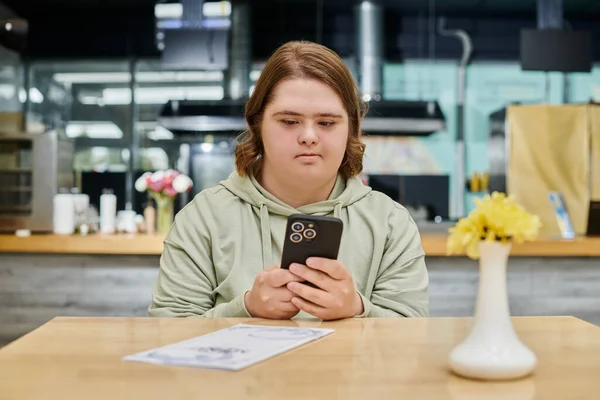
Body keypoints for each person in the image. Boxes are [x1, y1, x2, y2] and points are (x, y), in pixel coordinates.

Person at [148, 40, 429, 320]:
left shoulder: (391, 223)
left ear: (351, 128)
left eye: (327, 123)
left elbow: (414, 334)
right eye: (289, 121)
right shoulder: (202, 219)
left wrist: (356, 309)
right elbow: (167, 331)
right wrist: (245, 308)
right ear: (257, 125)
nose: (309, 136)